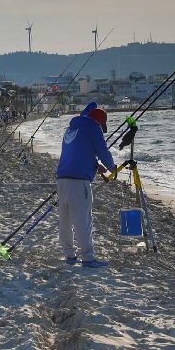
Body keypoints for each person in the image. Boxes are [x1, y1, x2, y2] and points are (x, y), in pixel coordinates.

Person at [56, 102, 116, 268]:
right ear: (99, 122)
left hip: (62, 178)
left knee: (65, 219)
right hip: (79, 181)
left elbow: (78, 151)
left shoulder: (72, 128)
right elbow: (102, 150)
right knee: (83, 220)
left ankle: (69, 255)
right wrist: (113, 167)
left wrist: (95, 165)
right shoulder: (93, 128)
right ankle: (88, 258)